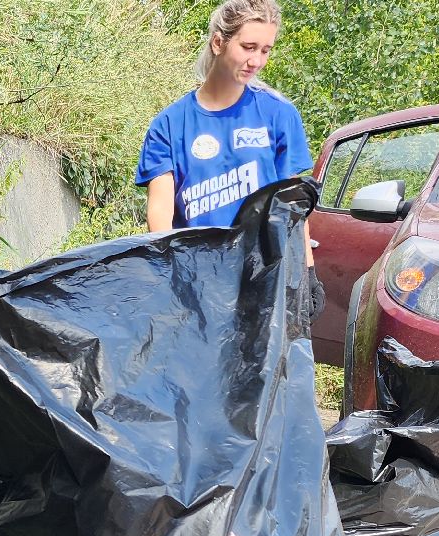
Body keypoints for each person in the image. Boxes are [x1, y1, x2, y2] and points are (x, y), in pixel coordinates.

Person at [137, 0, 322, 317]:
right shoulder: (169, 125)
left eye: (265, 50)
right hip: (196, 281)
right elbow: (160, 214)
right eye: (249, 47)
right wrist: (165, 275)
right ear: (219, 42)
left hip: (263, 278)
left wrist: (307, 272)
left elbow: (291, 205)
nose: (257, 61)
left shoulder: (279, 115)